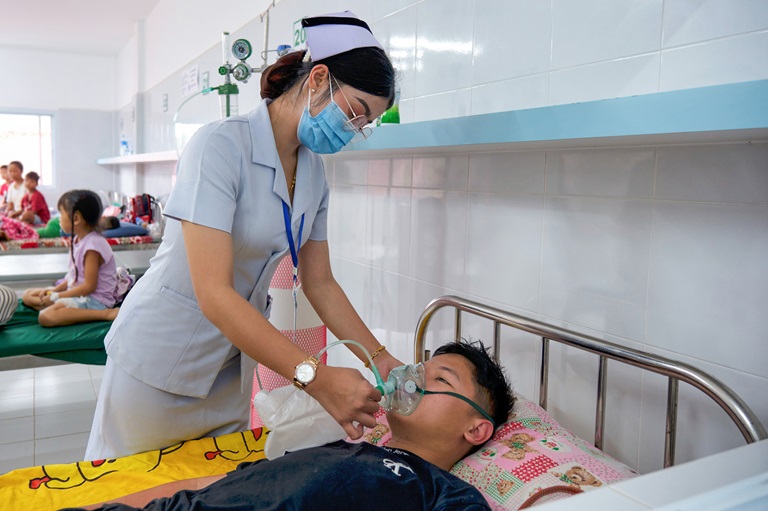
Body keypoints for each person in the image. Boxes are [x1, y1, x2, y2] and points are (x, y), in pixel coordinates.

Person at [85, 11, 401, 461]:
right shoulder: (219, 146)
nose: (353, 131)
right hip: (157, 360)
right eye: (354, 112)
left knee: (213, 491)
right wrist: (316, 377)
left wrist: (380, 357)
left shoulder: (313, 175)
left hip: (230, 367)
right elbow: (214, 292)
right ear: (318, 78)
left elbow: (320, 283)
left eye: (363, 124)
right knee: (129, 491)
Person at [68, 340, 515, 511]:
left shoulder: (444, 494)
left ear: (477, 430)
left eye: (437, 379)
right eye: (418, 369)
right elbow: (209, 483)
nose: (412, 379)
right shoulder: (337, 448)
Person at [21, 190, 120, 327]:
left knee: (46, 317)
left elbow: (89, 287)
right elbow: (73, 277)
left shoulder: (93, 246)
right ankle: (60, 307)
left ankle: (106, 314)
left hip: (95, 300)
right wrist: (56, 291)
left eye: (61, 213)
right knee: (27, 295)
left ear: (77, 219)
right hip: (77, 292)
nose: (58, 218)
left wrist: (57, 297)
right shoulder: (78, 240)